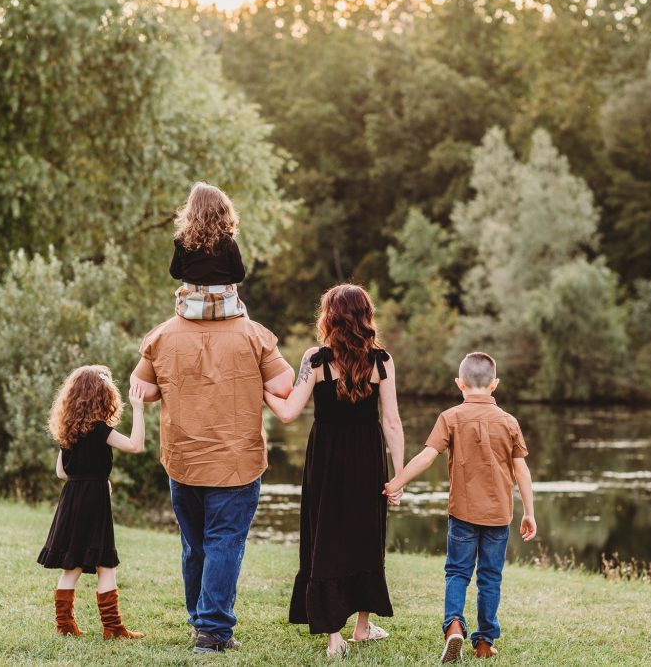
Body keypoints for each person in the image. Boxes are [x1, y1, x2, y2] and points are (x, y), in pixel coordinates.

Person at [130, 304, 293, 653]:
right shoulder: (253, 333)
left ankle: (200, 621)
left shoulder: (162, 335)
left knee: (195, 546)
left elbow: (142, 389)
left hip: (183, 458)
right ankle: (213, 632)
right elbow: (283, 386)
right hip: (237, 460)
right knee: (224, 543)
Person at [264, 284, 405, 659]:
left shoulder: (316, 358)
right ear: (364, 316)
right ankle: (362, 625)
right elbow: (391, 422)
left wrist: (260, 389)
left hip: (326, 456)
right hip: (367, 457)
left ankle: (334, 636)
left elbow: (289, 412)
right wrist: (399, 474)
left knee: (326, 534)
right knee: (365, 535)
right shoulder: (383, 361)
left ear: (329, 316)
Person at [383, 352, 536, 663]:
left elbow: (427, 456)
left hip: (462, 513)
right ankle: (484, 642)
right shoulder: (509, 422)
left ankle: (454, 625)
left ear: (459, 383)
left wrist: (397, 481)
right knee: (490, 577)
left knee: (457, 572)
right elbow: (521, 470)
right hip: (498, 515)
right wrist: (529, 512)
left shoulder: (450, 417)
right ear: (495, 384)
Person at [37, 365, 147, 640]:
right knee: (104, 562)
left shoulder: (68, 430)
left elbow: (62, 472)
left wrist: (85, 477)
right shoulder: (99, 429)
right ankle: (112, 628)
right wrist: (139, 409)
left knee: (71, 564)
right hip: (94, 499)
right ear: (101, 395)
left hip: (72, 499)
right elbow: (136, 446)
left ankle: (65, 626)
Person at [169, 182, 248, 320]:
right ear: (223, 212)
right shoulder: (228, 242)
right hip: (224, 308)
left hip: (189, 309)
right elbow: (239, 276)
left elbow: (175, 273)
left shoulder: (182, 241)